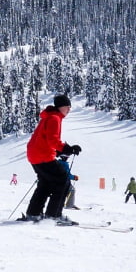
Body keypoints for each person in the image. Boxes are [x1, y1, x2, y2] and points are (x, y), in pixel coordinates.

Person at [24, 94, 82, 224]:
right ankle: (54, 216)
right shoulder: (54, 118)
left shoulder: (49, 117)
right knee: (63, 181)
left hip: (35, 155)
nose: (69, 110)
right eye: (68, 107)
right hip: (43, 156)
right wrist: (68, 148)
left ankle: (33, 214)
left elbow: (44, 139)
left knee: (45, 183)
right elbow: (53, 140)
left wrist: (58, 150)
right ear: (61, 107)